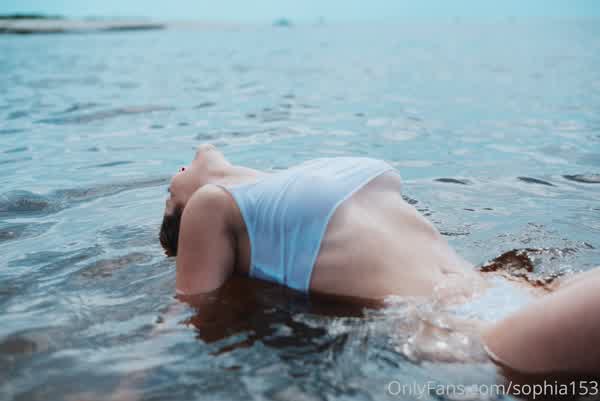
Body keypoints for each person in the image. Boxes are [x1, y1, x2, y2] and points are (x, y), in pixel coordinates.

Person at [160, 144, 600, 378]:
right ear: (183, 209)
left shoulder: (277, 189)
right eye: (167, 202)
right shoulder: (210, 205)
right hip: (463, 330)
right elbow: (188, 312)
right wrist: (130, 385)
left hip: (520, 292)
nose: (173, 177)